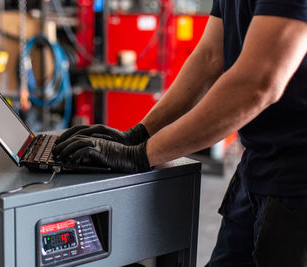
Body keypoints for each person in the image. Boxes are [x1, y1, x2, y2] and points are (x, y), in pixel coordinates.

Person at [53, 0, 307, 266]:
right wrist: (140, 134)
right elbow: (209, 56)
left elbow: (257, 83)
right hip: (256, 169)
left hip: (296, 184)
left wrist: (141, 154)